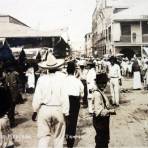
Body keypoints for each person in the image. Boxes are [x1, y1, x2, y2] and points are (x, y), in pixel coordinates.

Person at [32, 53, 69, 148]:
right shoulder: (63, 78)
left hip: (44, 109)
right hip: (58, 109)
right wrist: (66, 112)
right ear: (57, 67)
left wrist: (35, 110)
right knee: (59, 137)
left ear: (46, 68)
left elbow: (37, 97)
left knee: (43, 137)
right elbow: (65, 96)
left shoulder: (41, 79)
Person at [92, 73, 116, 148]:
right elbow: (98, 111)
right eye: (101, 83)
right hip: (100, 121)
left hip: (103, 121)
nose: (103, 85)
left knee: (104, 140)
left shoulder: (101, 92)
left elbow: (105, 105)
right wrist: (110, 111)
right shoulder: (97, 94)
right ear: (97, 83)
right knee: (101, 141)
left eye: (104, 83)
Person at [65, 61, 84, 148]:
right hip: (74, 102)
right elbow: (82, 93)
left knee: (65, 120)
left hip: (65, 100)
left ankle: (66, 136)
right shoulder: (77, 81)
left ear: (66, 70)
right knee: (73, 122)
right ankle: (70, 143)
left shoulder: (63, 80)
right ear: (74, 71)